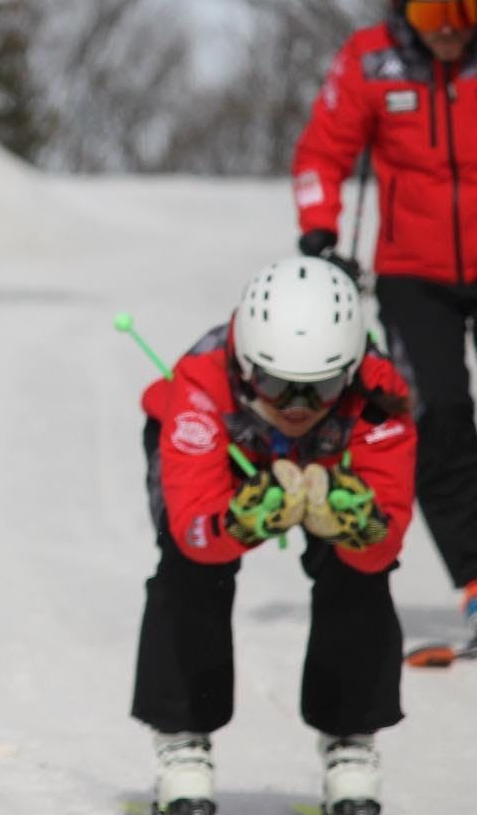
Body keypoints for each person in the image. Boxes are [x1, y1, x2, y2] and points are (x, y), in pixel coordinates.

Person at [132, 256, 415, 815]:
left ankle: (350, 738)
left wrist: (359, 527)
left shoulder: (381, 396)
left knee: (361, 569)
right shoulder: (200, 380)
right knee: (189, 569)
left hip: (336, 460)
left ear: (352, 371)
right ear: (243, 365)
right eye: (275, 383)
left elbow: (389, 535)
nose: (296, 408)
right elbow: (194, 530)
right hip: (226, 454)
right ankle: (183, 737)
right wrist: (241, 521)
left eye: (321, 386)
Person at [291, 0, 477, 633]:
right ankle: (472, 579)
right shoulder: (371, 61)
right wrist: (319, 227)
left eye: (466, 9)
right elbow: (321, 154)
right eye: (434, 13)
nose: (451, 30)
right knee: (437, 416)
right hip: (412, 272)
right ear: (402, 4)